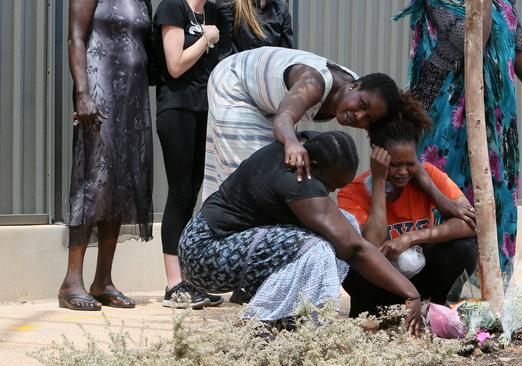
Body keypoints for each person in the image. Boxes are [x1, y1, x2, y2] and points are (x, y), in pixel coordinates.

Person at [180, 130, 423, 335]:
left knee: (342, 222)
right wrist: (409, 291)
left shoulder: (305, 147)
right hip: (205, 254)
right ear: (314, 168)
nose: (328, 193)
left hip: (230, 241)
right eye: (328, 186)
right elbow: (354, 248)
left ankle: (289, 318)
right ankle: (262, 321)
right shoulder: (296, 179)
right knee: (319, 247)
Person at [394, 0, 522, 276]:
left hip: (497, 117)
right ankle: (439, 283)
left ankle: (492, 282)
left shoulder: (506, 3)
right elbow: (471, 39)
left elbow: (519, 51)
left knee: (497, 194)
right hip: (446, 113)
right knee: (445, 190)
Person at [202, 46, 401, 199]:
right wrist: (291, 142)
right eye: (362, 105)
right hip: (236, 84)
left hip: (267, 102)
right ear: (355, 86)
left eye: (368, 119)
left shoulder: (365, 91)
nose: (359, 116)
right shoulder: (314, 83)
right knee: (248, 179)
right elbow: (284, 119)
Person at [338, 99, 477, 317]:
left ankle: (436, 308)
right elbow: (372, 242)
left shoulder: (426, 174)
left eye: (410, 163)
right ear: (378, 157)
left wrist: (410, 238)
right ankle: (368, 316)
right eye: (395, 164)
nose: (403, 172)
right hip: (379, 284)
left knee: (463, 247)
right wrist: (380, 182)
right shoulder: (352, 192)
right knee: (356, 257)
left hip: (419, 279)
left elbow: (471, 224)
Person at [59, 0, 154, 311]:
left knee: (121, 182)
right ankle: (72, 281)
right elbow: (76, 36)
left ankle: (103, 280)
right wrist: (82, 92)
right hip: (100, 94)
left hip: (133, 96)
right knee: (95, 180)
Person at [153, 0, 232, 309]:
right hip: (177, 109)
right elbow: (175, 65)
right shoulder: (172, 8)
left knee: (193, 193)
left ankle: (190, 281)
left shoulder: (211, 12)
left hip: (204, 111)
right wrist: (205, 39)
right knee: (180, 192)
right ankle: (174, 285)